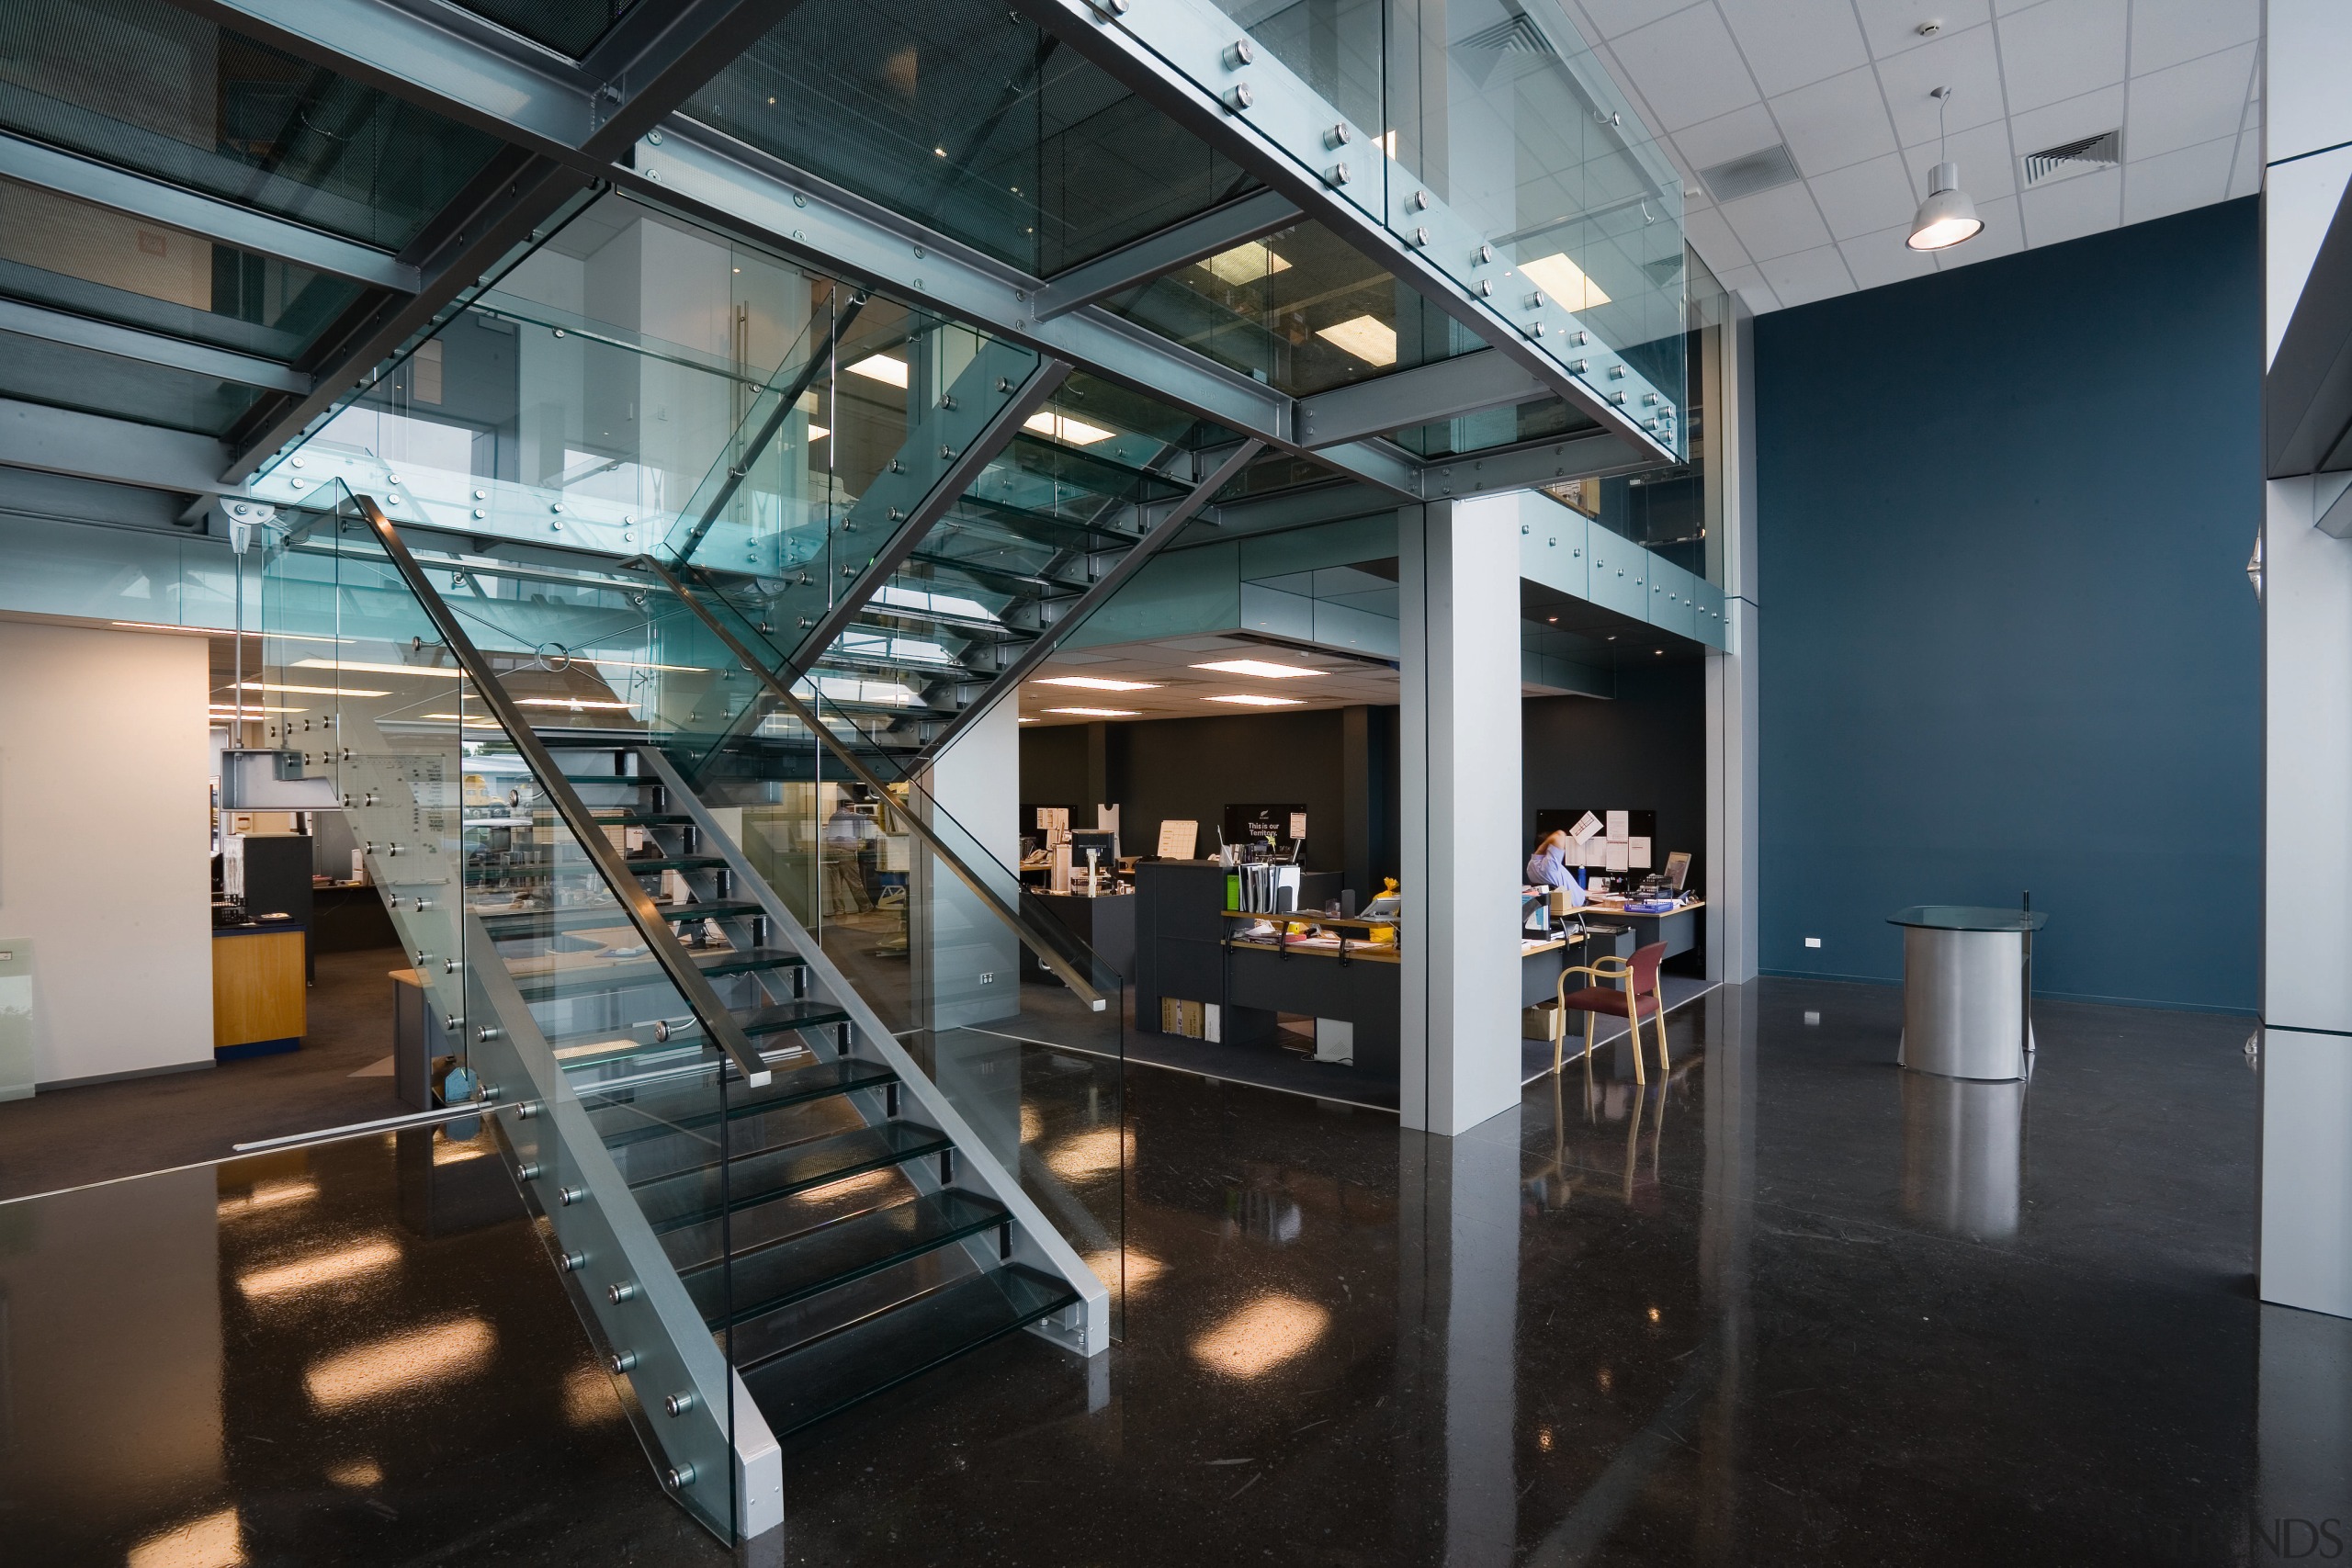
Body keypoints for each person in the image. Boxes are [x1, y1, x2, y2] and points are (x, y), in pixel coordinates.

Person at [1525, 829, 1587, 907]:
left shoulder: (1530, 867)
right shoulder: (1550, 865)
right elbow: (1559, 835)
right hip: (1576, 909)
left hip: (1559, 910)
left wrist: (1540, 850)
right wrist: (1546, 845)